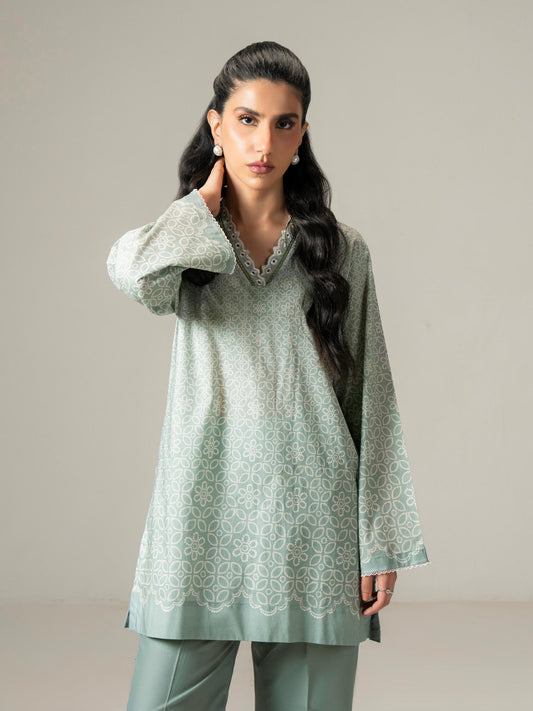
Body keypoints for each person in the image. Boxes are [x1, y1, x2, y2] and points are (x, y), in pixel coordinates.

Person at [106, 40, 430, 711]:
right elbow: (133, 274)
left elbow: (370, 396)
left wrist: (379, 538)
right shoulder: (191, 243)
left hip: (315, 523)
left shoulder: (340, 250)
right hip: (201, 513)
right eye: (247, 119)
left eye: (285, 123)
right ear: (216, 125)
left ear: (302, 134)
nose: (265, 142)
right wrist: (201, 204)